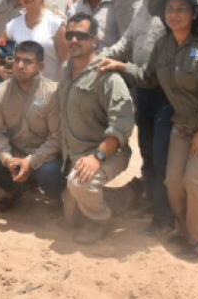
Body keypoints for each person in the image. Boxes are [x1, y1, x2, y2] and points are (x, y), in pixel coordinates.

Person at [100, 0, 198, 261]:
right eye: (170, 10)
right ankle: (185, 230)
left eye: (181, 9)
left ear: (194, 14)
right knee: (173, 181)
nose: (174, 14)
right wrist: (119, 66)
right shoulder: (164, 45)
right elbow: (147, 77)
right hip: (185, 123)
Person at [102, 0, 195, 235]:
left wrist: (118, 64)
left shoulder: (178, 5)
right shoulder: (146, 4)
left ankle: (169, 219)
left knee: (165, 160)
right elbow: (126, 43)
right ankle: (157, 211)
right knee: (149, 156)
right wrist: (98, 58)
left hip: (170, 96)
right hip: (144, 91)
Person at [58, 13, 135, 245]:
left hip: (107, 152)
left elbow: (121, 125)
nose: (73, 40)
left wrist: (97, 157)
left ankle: (101, 221)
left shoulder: (108, 77)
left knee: (81, 184)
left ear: (95, 41)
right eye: (69, 35)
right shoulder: (65, 68)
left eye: (81, 35)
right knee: (70, 219)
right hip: (74, 153)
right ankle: (114, 196)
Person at [0, 40, 64, 212]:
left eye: (28, 61)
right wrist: (7, 158)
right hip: (14, 155)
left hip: (44, 157)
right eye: (17, 60)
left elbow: (57, 137)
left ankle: (54, 198)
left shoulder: (53, 94)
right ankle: (12, 189)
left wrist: (30, 162)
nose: (20, 65)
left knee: (51, 172)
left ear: (41, 66)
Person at [0, 0, 67, 82]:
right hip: (20, 89)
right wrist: (1, 71)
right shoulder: (14, 24)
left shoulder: (56, 24)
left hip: (49, 90)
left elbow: (67, 61)